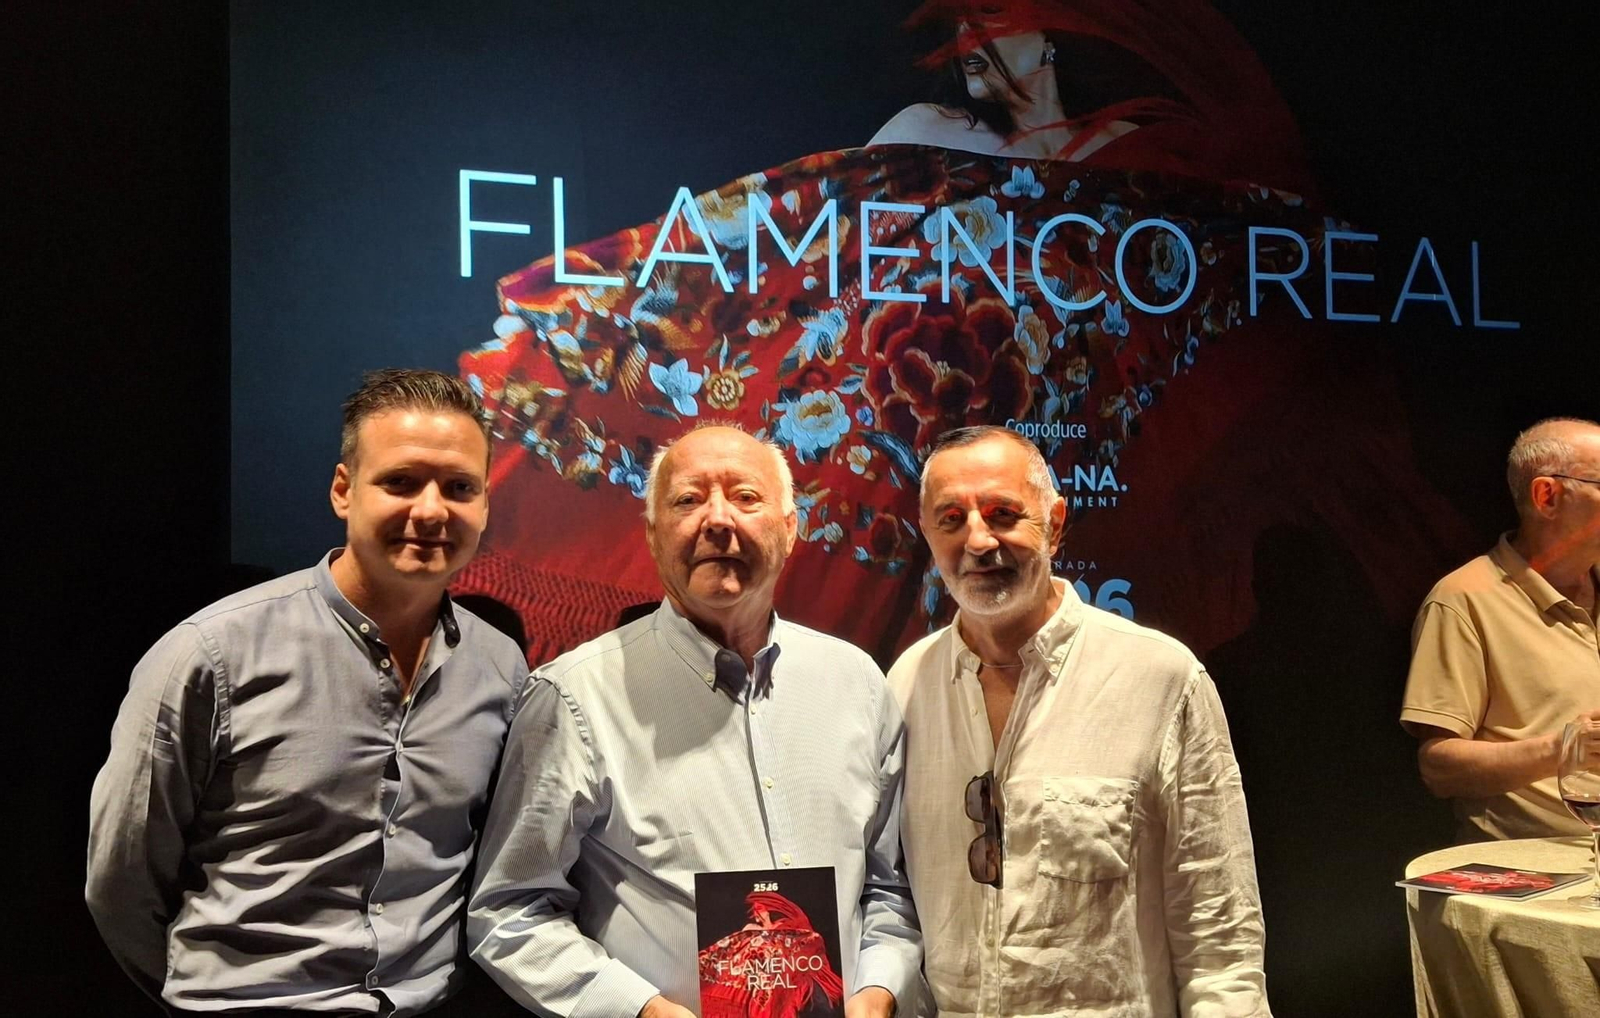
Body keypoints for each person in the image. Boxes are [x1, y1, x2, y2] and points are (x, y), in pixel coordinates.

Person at [87, 369, 530, 1015]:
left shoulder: (500, 666)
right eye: (401, 482)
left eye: (459, 487)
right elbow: (121, 883)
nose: (431, 510)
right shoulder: (211, 654)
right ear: (344, 490)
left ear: (485, 504)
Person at [468, 424, 923, 1018]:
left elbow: (890, 886)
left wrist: (879, 991)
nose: (718, 520)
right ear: (653, 536)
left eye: (746, 497)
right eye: (688, 500)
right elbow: (509, 913)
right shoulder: (573, 696)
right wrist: (640, 1011)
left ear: (790, 530)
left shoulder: (857, 683)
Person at [889, 425, 1270, 1016]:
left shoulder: (1161, 679)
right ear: (928, 536)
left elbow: (1220, 933)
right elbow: (894, 903)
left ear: (1056, 522)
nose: (979, 540)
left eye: (1002, 513)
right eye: (951, 519)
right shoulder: (905, 685)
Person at [1401, 416, 1600, 841]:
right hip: (1536, 876)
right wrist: (1563, 748)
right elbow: (1439, 768)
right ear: (1547, 496)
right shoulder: (1464, 599)